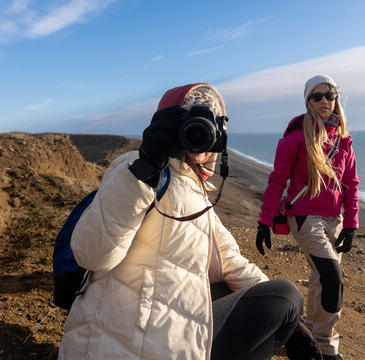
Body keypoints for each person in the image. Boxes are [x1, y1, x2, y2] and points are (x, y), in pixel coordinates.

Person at [58, 83, 322, 360]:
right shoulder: (134, 166)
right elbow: (93, 255)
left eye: (209, 125)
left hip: (152, 330)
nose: (199, 132)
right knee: (285, 296)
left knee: (226, 286)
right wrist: (144, 170)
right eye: (188, 121)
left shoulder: (195, 192)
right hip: (125, 342)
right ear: (166, 122)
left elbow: (232, 263)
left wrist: (295, 325)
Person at [255, 75, 359, 360]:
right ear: (308, 101)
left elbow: (351, 184)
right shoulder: (296, 138)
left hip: (334, 221)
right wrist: (264, 221)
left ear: (336, 98)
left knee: (320, 281)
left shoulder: (343, 140)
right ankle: (325, 349)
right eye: (317, 96)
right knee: (332, 279)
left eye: (330, 95)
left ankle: (310, 341)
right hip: (305, 219)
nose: (324, 101)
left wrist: (350, 224)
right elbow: (277, 180)